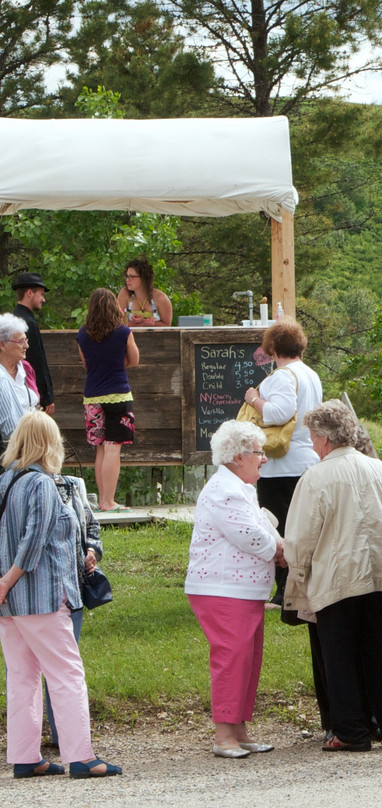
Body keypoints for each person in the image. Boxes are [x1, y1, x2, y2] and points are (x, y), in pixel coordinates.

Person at [0, 410, 121, 778]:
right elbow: (33, 542)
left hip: (11, 604)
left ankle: (24, 756)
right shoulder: (42, 484)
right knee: (66, 672)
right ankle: (81, 756)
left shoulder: (6, 480)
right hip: (43, 595)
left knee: (21, 675)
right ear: (49, 443)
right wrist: (6, 581)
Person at [284, 400, 382, 752]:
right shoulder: (380, 469)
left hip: (338, 578)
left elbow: (301, 537)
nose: (311, 444)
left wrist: (298, 571)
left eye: (312, 436)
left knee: (339, 656)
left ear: (324, 439)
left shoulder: (316, 477)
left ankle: (352, 731)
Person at [241, 317, 328, 731]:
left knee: (277, 527)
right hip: (308, 459)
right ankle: (299, 584)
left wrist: (255, 399)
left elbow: (279, 412)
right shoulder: (310, 374)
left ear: (274, 347)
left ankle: (283, 590)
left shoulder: (279, 377)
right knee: (300, 526)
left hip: (280, 464)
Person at [185, 419, 284, 758]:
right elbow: (252, 536)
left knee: (248, 659)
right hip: (223, 589)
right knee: (231, 658)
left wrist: (277, 545)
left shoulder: (240, 487)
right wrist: (279, 551)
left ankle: (239, 729)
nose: (264, 458)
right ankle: (223, 735)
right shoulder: (225, 490)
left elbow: (262, 529)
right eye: (259, 452)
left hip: (243, 590)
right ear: (239, 456)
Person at [44, 473, 103, 747]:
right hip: (38, 591)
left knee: (65, 666)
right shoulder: (17, 484)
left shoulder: (72, 484)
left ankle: (63, 736)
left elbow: (92, 527)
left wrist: (92, 550)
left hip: (73, 589)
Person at [76, 289, 139, 512]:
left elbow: (86, 364)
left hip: (92, 396)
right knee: (113, 448)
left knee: (100, 449)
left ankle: (103, 500)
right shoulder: (123, 332)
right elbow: (134, 360)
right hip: (118, 395)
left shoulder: (82, 335)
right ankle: (109, 502)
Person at [12, 272, 54, 414]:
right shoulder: (28, 323)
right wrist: (46, 396)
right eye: (41, 294)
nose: (43, 299)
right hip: (30, 392)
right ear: (29, 293)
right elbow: (37, 361)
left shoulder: (13, 319)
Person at [0, 313, 41, 444]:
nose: (26, 346)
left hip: (34, 441)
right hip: (9, 446)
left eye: (26, 340)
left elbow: (36, 404)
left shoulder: (26, 368)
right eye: (20, 341)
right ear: (2, 345)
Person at [117, 257, 173, 327]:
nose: (127, 280)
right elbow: (119, 322)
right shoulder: (124, 293)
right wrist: (143, 323)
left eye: (131, 276)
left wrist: (149, 323)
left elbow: (167, 325)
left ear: (143, 278)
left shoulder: (161, 298)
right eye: (127, 276)